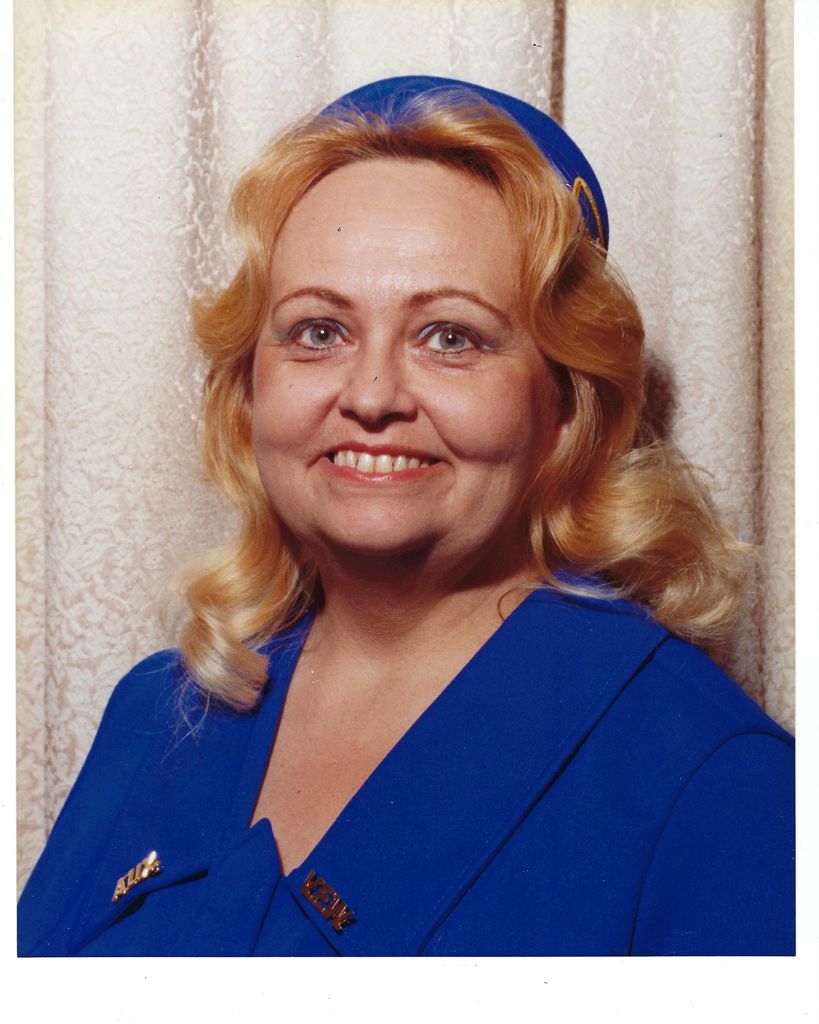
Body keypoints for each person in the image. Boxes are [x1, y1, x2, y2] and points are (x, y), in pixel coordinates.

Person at [18, 76, 794, 956]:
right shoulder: (158, 712)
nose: (372, 395)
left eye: (450, 337)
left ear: (565, 407)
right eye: (318, 331)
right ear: (250, 387)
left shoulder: (713, 780)